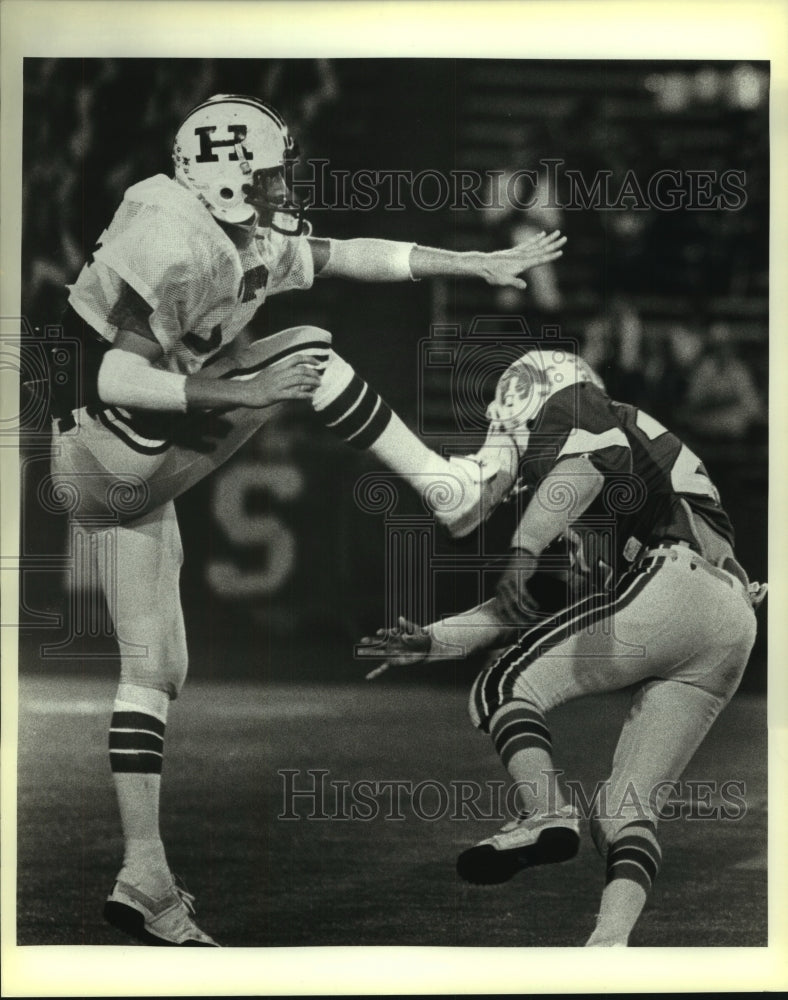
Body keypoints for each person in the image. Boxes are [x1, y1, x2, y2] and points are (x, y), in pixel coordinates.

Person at [47, 93, 565, 946]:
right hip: (108, 443)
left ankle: (146, 877)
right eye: (272, 173)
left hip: (123, 471)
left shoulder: (238, 232)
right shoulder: (173, 234)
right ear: (225, 183)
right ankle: (446, 490)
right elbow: (109, 375)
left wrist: (469, 263)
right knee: (308, 350)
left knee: (156, 671)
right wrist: (238, 390)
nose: (288, 185)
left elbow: (350, 252)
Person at [359, 347, 766, 947]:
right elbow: (530, 605)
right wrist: (435, 642)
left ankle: (545, 811)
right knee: (624, 809)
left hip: (673, 580)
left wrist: (522, 549)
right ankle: (607, 948)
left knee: (505, 684)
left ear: (529, 390)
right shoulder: (618, 468)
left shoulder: (577, 407)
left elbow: (595, 456)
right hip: (730, 624)